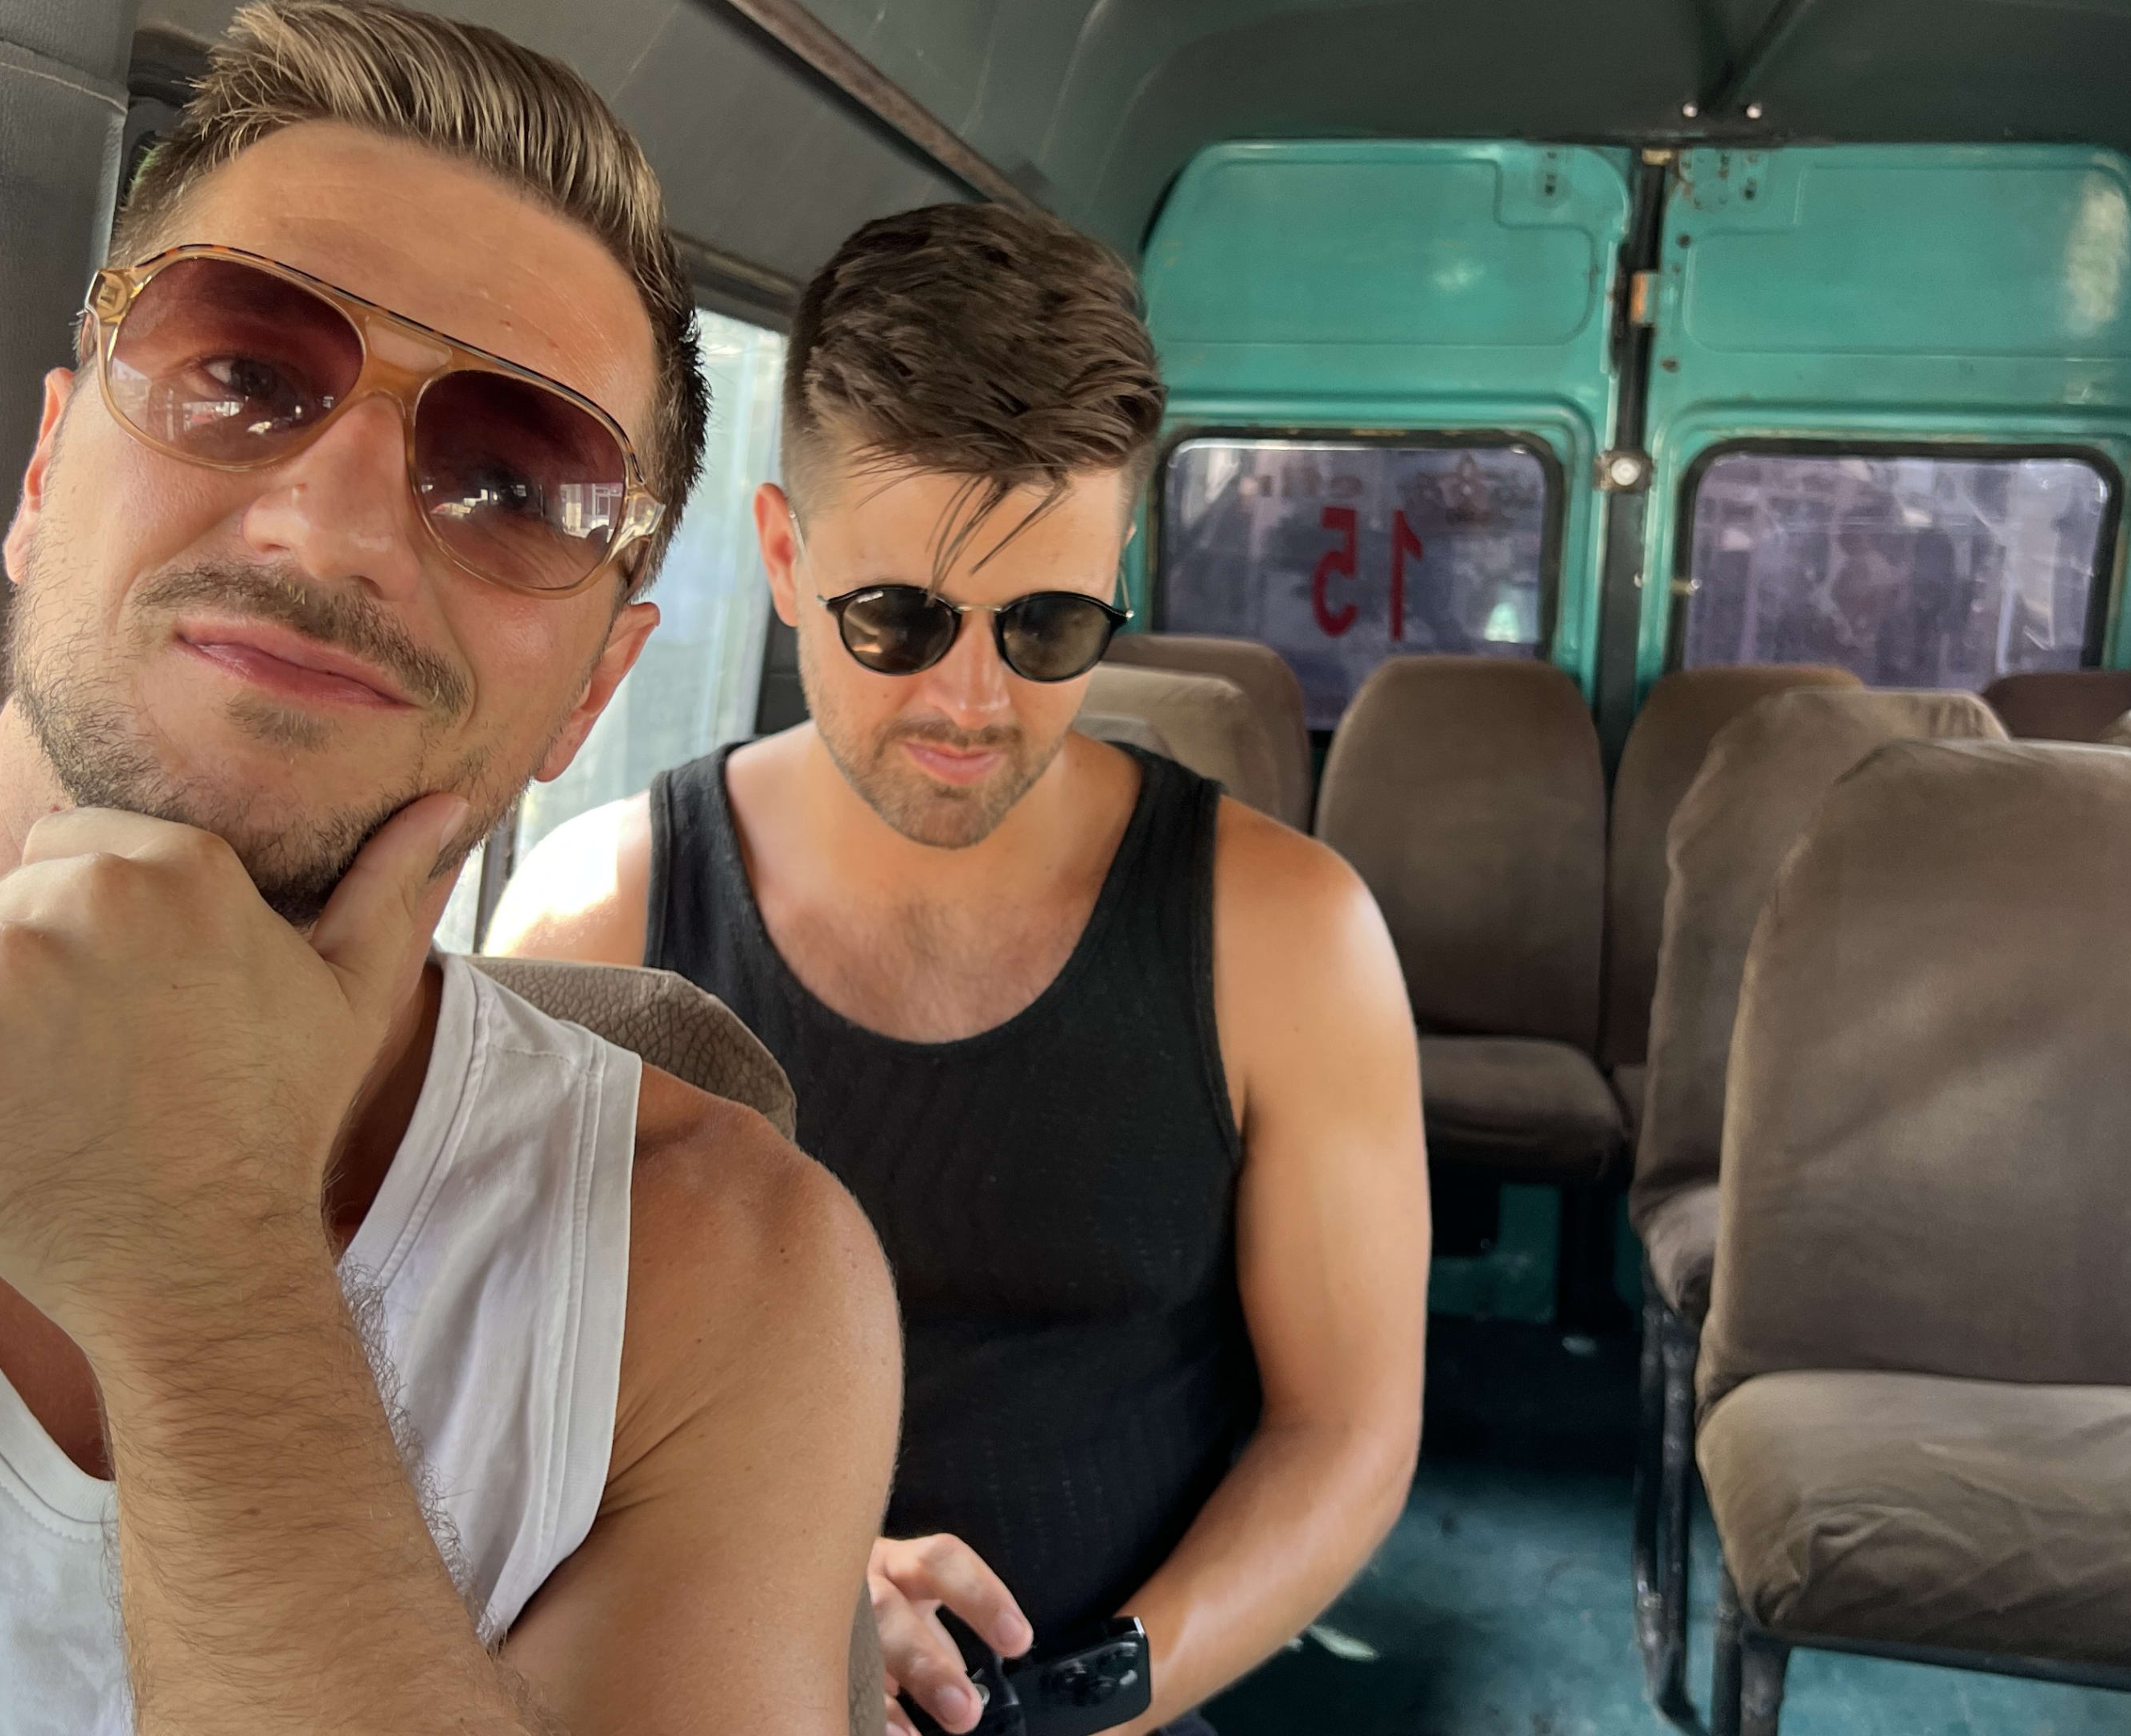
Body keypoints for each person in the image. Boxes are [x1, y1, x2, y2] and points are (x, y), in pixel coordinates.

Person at [0, 6, 899, 1731]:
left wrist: (205, 1274)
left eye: (517, 482)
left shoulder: (724, 1275)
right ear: (40, 475)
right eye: (239, 372)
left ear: (593, 691)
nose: (332, 523)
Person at [490, 203, 1430, 1735]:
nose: (972, 700)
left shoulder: (1290, 942)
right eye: (899, 619)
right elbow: (498, 1414)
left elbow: (1346, 1431)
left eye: (1049, 622)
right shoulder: (595, 919)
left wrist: (1092, 1695)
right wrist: (787, 1600)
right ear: (786, 560)